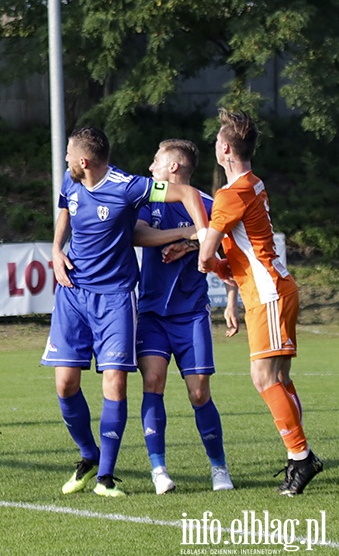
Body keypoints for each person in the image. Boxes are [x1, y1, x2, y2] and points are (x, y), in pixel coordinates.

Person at [41, 127, 209, 497]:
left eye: (69, 154)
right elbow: (65, 215)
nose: (65, 159)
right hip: (72, 294)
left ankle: (105, 476)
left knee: (115, 382)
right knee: (65, 383)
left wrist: (201, 234)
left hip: (115, 298)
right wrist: (55, 250)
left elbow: (188, 192)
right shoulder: (70, 183)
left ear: (84, 161)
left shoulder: (129, 186)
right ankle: (88, 455)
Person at [199, 109, 323, 496]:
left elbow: (206, 256)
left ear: (224, 148)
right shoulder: (253, 183)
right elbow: (235, 250)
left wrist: (206, 258)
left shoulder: (229, 194)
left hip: (267, 293)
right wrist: (226, 273)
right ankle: (299, 457)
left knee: (263, 378)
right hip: (276, 287)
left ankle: (301, 458)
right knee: (279, 379)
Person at [134, 139, 236, 494]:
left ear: (173, 168)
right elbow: (138, 234)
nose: (151, 168)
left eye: (156, 161)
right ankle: (159, 470)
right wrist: (185, 233)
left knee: (199, 393)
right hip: (152, 314)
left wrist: (195, 244)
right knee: (154, 383)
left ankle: (219, 468)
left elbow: (226, 249)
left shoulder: (209, 206)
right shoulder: (150, 200)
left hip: (191, 313)